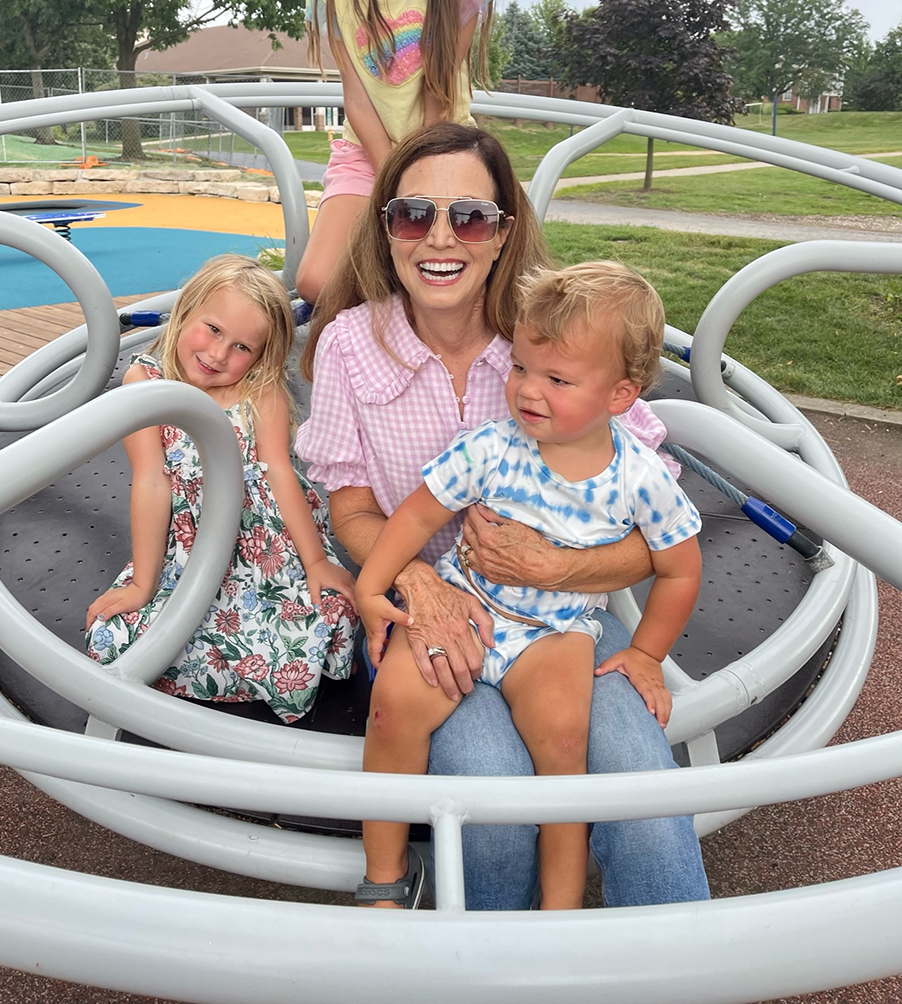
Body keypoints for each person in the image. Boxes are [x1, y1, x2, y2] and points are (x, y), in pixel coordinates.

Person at [297, 121, 711, 909]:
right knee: (490, 786)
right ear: (384, 229)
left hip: (560, 617)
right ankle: (496, 964)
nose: (440, 237)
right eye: (414, 214)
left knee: (643, 787)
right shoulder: (352, 343)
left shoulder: (551, 336)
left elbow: (656, 528)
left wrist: (559, 568)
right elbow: (349, 506)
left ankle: (669, 960)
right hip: (432, 602)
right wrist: (414, 579)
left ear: (501, 235)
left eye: (470, 217)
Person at [354, 263, 703, 908]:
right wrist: (373, 587)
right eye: (520, 369)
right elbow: (418, 514)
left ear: (620, 395)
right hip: (467, 606)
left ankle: (559, 910)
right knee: (393, 708)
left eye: (557, 379)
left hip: (556, 632)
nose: (528, 390)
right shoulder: (492, 447)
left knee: (563, 755)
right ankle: (384, 878)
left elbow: (681, 566)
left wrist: (648, 655)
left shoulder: (641, 477)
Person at [85, 255, 358, 723]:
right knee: (115, 635)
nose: (218, 355)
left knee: (328, 616)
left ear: (260, 356)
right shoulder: (145, 382)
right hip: (189, 553)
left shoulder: (259, 390)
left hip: (263, 552)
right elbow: (151, 482)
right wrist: (142, 583)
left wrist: (315, 561)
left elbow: (278, 474)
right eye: (212, 329)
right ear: (186, 309)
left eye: (241, 347)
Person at [296, 0, 495, 304]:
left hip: (445, 146)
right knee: (317, 281)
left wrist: (420, 188)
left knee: (471, 279)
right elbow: (358, 102)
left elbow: (440, 94)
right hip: (368, 154)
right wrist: (395, 185)